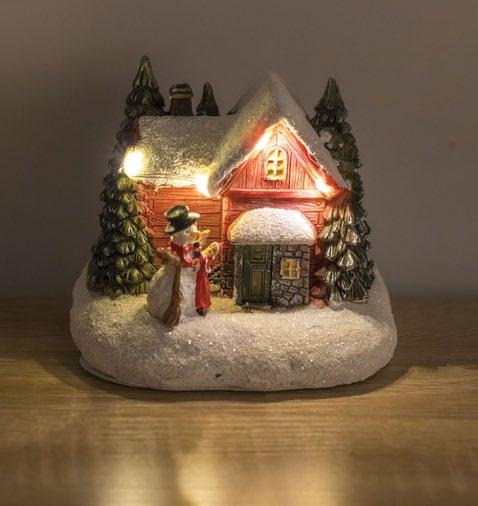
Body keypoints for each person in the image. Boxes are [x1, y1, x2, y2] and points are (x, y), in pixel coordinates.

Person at [195, 242, 221, 316]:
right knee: (198, 292)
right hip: (197, 277)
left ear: (214, 254)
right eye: (210, 247)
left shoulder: (208, 259)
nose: (210, 249)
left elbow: (206, 268)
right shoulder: (202, 255)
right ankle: (197, 306)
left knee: (204, 293)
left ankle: (201, 306)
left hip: (203, 278)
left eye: (213, 250)